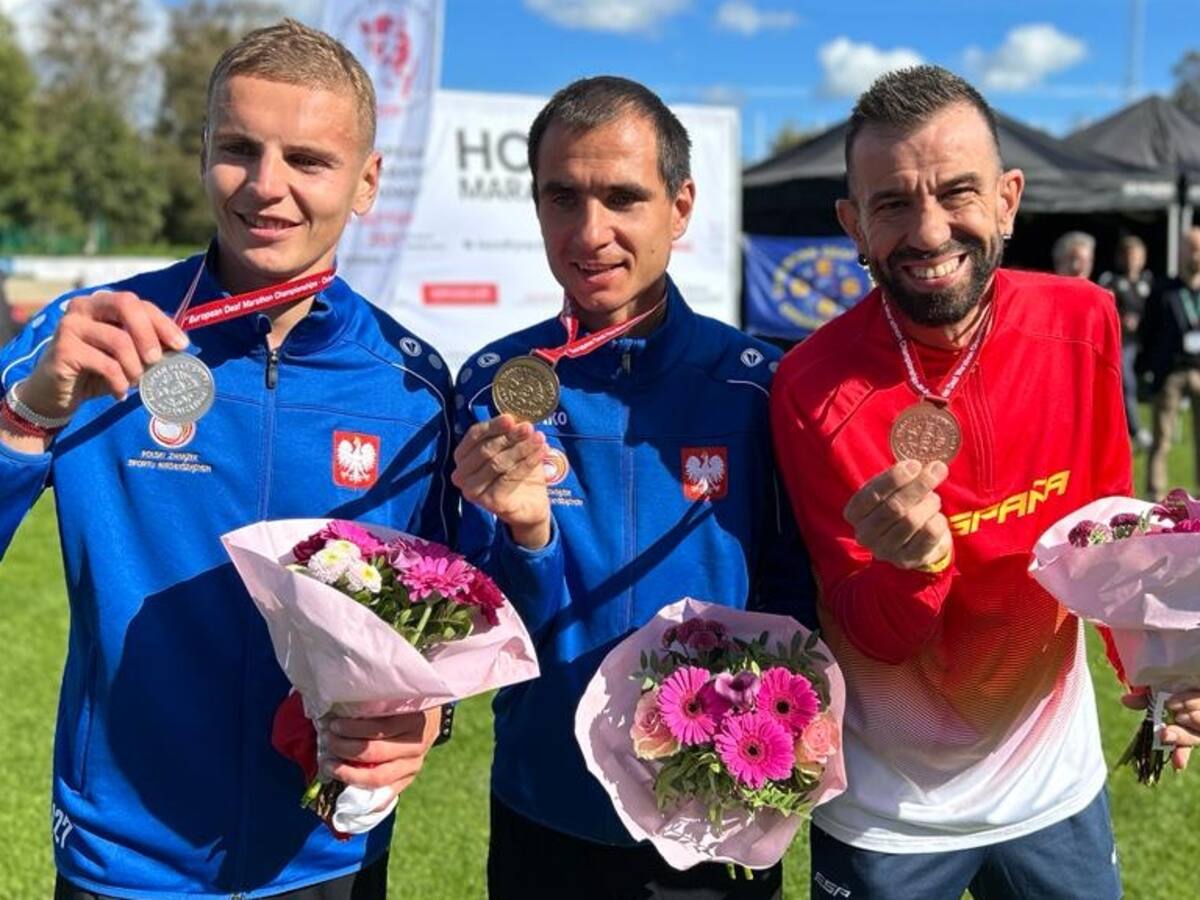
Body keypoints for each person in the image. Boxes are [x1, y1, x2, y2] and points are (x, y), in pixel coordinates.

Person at [0, 20, 455, 899]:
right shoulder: (95, 337)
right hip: (125, 858)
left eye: (309, 161)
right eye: (239, 148)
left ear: (366, 183)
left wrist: (428, 716)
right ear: (203, 150)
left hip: (327, 857)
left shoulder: (411, 388)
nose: (267, 187)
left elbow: (439, 631)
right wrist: (27, 416)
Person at [770, 66, 1131, 899]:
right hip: (888, 813)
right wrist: (914, 570)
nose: (929, 232)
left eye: (957, 192)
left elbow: (1111, 537)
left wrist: (1159, 675)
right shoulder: (810, 384)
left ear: (1008, 199)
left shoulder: (1084, 321)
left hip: (1053, 788)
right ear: (852, 225)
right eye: (892, 203)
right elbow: (869, 628)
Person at [450, 75, 815, 899]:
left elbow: (800, 600)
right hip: (547, 811)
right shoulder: (491, 388)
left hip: (720, 812)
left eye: (623, 197)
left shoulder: (758, 387)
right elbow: (477, 637)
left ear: (680, 207)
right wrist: (530, 541)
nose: (591, 232)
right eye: (562, 198)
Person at [1137, 226, 1200, 499]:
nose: (1196, 254)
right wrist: (1145, 370)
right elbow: (1146, 332)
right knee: (1161, 438)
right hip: (1171, 372)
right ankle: (1154, 496)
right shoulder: (1164, 290)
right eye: (1191, 247)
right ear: (1181, 250)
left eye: (1199, 248)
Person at [1099, 235, 1155, 449]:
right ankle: (1135, 429)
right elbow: (1105, 308)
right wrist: (1121, 318)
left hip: (1147, 341)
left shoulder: (1149, 282)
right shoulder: (1111, 281)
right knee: (1127, 381)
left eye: (1137, 256)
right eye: (1129, 256)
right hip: (1123, 341)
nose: (1133, 261)